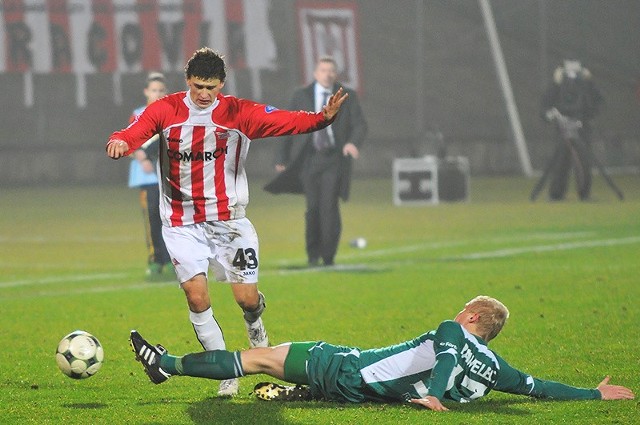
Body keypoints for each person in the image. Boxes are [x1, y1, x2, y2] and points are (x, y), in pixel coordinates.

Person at [107, 47, 349, 396]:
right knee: (196, 297)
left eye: (211, 87)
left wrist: (321, 119)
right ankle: (225, 371)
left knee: (246, 300)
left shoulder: (239, 113)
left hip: (228, 221)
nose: (204, 94)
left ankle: (257, 325)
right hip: (181, 222)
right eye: (197, 86)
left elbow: (285, 120)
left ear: (222, 84)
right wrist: (119, 141)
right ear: (187, 82)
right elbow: (136, 130)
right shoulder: (166, 109)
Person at [129, 295, 634, 410]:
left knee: (255, 356)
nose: (459, 312)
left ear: (475, 317)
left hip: (348, 367)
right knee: (290, 374)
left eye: (465, 308)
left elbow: (449, 356)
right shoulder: (499, 368)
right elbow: (538, 389)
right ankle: (300, 393)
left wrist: (436, 396)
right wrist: (593, 393)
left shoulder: (451, 332)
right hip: (367, 394)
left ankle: (165, 366)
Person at [265, 56, 367, 267]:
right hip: (308, 160)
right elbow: (287, 124)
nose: (327, 74)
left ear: (335, 73)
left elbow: (359, 125)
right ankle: (313, 255)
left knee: (329, 207)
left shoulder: (347, 96)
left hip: (334, 159)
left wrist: (352, 143)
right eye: (323, 70)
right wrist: (282, 156)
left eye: (331, 70)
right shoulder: (301, 95)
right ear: (315, 73)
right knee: (312, 208)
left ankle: (328, 256)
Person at [127, 72, 172, 281]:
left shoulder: (170, 113)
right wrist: (142, 158)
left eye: (161, 90)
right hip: (147, 178)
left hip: (168, 176)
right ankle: (155, 260)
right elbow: (130, 139)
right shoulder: (138, 114)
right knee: (152, 219)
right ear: (146, 92)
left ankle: (172, 260)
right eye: (154, 90)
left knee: (170, 219)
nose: (157, 94)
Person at [540, 59, 604, 201]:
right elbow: (545, 105)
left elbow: (598, 101)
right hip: (562, 128)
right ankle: (556, 194)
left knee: (583, 162)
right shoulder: (557, 86)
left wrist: (589, 82)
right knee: (560, 162)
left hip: (582, 127)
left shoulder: (586, 86)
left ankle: (584, 193)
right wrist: (556, 84)